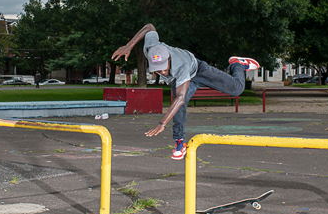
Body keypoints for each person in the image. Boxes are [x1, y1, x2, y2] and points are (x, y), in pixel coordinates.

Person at [111, 24, 259, 160]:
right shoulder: (151, 48)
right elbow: (149, 27)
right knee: (178, 106)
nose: (163, 71)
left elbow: (181, 97)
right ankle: (180, 143)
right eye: (158, 68)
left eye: (165, 67)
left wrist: (162, 123)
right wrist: (129, 46)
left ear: (169, 58)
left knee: (237, 89)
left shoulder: (179, 65)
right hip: (182, 77)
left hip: (198, 71)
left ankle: (237, 64)